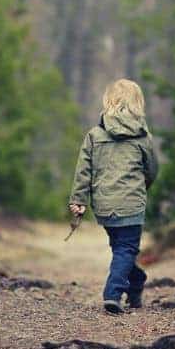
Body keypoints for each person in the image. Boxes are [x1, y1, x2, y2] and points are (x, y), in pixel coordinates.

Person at [68, 79, 159, 314]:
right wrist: (141, 187)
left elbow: (83, 171)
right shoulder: (143, 137)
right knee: (126, 249)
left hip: (104, 204)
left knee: (122, 249)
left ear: (108, 101)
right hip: (132, 204)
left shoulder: (94, 135)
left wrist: (79, 200)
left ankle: (136, 283)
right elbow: (151, 170)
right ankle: (113, 293)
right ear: (138, 104)